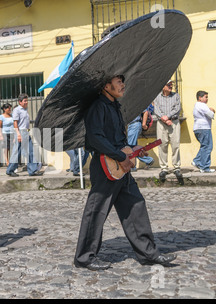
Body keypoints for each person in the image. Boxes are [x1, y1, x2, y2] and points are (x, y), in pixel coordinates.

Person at [74, 75, 176, 271]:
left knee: (136, 205)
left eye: (122, 81)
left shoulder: (115, 106)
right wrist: (119, 155)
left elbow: (117, 141)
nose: (123, 85)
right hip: (105, 166)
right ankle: (84, 257)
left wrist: (131, 148)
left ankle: (148, 253)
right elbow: (95, 138)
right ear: (106, 85)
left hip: (121, 165)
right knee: (96, 211)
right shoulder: (97, 107)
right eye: (118, 81)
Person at [6, 94, 43, 177]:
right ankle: (10, 170)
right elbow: (15, 122)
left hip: (26, 133)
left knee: (31, 151)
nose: (26, 102)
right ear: (20, 102)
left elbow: (25, 124)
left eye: (27, 101)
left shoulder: (25, 110)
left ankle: (32, 171)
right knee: (17, 152)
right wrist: (18, 134)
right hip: (20, 133)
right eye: (25, 101)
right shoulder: (17, 110)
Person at [153, 80, 182, 181]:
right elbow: (156, 109)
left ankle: (176, 167)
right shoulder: (157, 97)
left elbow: (177, 108)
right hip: (162, 123)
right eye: (168, 84)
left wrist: (168, 117)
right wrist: (164, 119)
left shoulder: (176, 96)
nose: (171, 86)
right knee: (162, 145)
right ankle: (164, 168)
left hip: (173, 122)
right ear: (163, 86)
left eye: (171, 84)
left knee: (175, 145)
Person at [192, 90, 216, 173]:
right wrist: (212, 110)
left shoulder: (197, 106)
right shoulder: (202, 105)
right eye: (205, 97)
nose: (207, 99)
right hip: (204, 128)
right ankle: (204, 167)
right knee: (208, 146)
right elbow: (211, 115)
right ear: (200, 98)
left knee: (204, 146)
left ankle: (197, 161)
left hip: (199, 128)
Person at [126, 104, 155, 171]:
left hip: (134, 125)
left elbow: (145, 112)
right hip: (132, 126)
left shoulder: (135, 101)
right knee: (133, 147)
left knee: (130, 147)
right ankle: (148, 160)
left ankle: (133, 166)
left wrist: (144, 124)